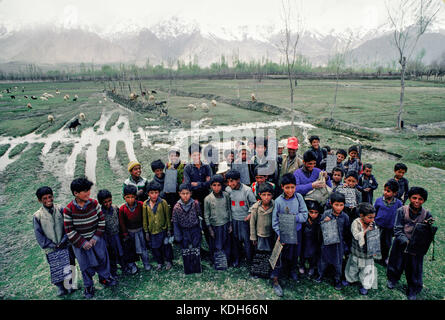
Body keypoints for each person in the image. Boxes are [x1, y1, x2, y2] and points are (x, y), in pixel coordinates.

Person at [64, 177, 116, 299]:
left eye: (89, 190)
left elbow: (101, 221)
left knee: (102, 259)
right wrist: (82, 243)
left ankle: (104, 278)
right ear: (76, 193)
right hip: (80, 245)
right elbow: (69, 230)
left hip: (96, 240)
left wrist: (95, 238)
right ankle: (89, 286)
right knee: (85, 265)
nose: (88, 193)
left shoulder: (94, 204)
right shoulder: (68, 209)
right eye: (85, 191)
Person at [387, 187, 433, 300]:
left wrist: (428, 225)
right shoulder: (401, 210)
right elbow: (397, 229)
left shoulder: (426, 214)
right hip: (400, 243)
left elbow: (427, 233)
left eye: (420, 199)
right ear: (409, 198)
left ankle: (413, 288)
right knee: (396, 262)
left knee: (415, 268)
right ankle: (393, 279)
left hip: (416, 247)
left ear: (424, 200)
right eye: (414, 198)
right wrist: (406, 241)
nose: (417, 201)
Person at [33, 186, 76, 296]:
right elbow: (39, 234)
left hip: (65, 244)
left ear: (53, 196)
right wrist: (50, 244)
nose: (48, 200)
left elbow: (68, 225)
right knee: (56, 266)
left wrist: (64, 239)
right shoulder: (37, 216)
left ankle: (70, 285)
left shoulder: (61, 209)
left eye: (50, 197)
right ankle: (61, 287)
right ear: (39, 200)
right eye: (44, 198)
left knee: (69, 264)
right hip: (51, 248)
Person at [271, 173, 308, 297]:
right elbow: (275, 221)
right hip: (283, 233)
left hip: (296, 232)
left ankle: (292, 270)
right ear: (282, 187)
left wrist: (292, 218)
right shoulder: (278, 201)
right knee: (280, 256)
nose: (290, 190)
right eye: (287, 187)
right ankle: (276, 278)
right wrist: (279, 233)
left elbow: (304, 215)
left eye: (292, 187)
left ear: (296, 187)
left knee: (294, 252)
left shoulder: (299, 198)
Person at [316, 192, 350, 290]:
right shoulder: (326, 214)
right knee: (323, 260)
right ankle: (320, 274)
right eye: (336, 205)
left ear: (344, 205)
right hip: (326, 244)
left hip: (338, 246)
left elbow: (347, 233)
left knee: (338, 263)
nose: (339, 208)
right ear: (331, 203)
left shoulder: (345, 217)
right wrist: (324, 222)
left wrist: (345, 246)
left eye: (341, 205)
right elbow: (320, 229)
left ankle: (337, 279)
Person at [183, 143, 213, 254]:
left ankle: (211, 248)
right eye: (194, 155)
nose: (196, 157)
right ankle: (197, 249)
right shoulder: (188, 168)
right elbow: (188, 185)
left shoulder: (206, 166)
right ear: (190, 155)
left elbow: (210, 183)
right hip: (193, 199)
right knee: (194, 224)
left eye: (198, 154)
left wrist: (198, 184)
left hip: (206, 197)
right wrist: (203, 183)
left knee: (207, 222)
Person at [345, 203, 379, 295]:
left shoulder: (372, 224)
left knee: (367, 269)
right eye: (369, 217)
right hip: (356, 251)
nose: (372, 220)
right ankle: (350, 279)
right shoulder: (356, 223)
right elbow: (356, 236)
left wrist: (375, 249)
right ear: (361, 215)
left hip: (368, 253)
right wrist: (366, 230)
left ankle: (365, 285)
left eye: (373, 217)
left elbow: (375, 237)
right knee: (353, 267)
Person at [226, 169, 257, 266]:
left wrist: (250, 213)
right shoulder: (228, 190)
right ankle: (237, 258)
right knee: (235, 241)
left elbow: (254, 204)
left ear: (238, 180)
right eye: (228, 181)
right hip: (234, 219)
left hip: (245, 220)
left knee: (247, 241)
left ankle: (249, 259)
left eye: (232, 181)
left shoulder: (247, 190)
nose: (230, 183)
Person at [119, 185, 151, 272]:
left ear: (136, 197)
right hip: (130, 233)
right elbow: (122, 223)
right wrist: (125, 234)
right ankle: (133, 266)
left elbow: (145, 217)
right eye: (127, 197)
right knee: (131, 250)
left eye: (132, 197)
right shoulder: (122, 209)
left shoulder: (140, 205)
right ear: (124, 197)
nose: (130, 199)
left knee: (143, 248)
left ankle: (146, 263)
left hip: (140, 231)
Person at [142, 181, 174, 271]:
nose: (154, 195)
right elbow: (145, 219)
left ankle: (168, 261)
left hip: (162, 229)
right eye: (152, 193)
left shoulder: (163, 202)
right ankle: (160, 262)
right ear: (148, 193)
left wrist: (168, 229)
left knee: (166, 246)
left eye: (156, 193)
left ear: (159, 193)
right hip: (152, 231)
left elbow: (167, 216)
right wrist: (146, 232)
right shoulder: (145, 204)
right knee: (155, 248)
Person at [204, 175, 232, 267]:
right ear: (211, 186)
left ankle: (226, 260)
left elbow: (229, 209)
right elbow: (206, 214)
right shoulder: (208, 199)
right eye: (214, 185)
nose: (216, 188)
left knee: (226, 243)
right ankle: (215, 261)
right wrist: (209, 228)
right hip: (214, 225)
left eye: (219, 185)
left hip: (225, 224)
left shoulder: (226, 196)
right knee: (215, 244)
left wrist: (230, 223)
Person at [374, 179, 403, 265]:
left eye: (388, 191)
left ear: (395, 193)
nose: (385, 192)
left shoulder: (398, 203)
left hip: (390, 228)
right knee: (376, 241)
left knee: (386, 244)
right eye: (385, 190)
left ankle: (384, 258)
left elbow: (400, 215)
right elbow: (374, 211)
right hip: (378, 225)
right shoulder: (379, 200)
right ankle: (374, 256)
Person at [97, 189, 124, 279]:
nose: (108, 203)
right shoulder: (100, 213)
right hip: (108, 237)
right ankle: (113, 271)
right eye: (105, 202)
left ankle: (123, 266)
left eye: (109, 201)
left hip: (117, 235)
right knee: (111, 254)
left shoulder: (115, 208)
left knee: (120, 251)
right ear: (100, 202)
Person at [172, 183, 202, 250]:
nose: (185, 196)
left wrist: (200, 229)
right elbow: (175, 222)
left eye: (187, 193)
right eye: (183, 193)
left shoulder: (195, 204)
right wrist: (177, 235)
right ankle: (187, 260)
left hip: (195, 229)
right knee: (185, 248)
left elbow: (199, 216)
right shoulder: (176, 207)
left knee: (196, 246)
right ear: (179, 194)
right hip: (184, 230)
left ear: (190, 193)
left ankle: (196, 259)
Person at [299, 200, 322, 278]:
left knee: (313, 255)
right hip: (304, 240)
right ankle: (301, 265)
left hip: (314, 241)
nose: (313, 215)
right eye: (311, 212)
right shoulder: (304, 220)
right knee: (303, 254)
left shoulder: (319, 221)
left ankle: (312, 267)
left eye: (316, 213)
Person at [249, 183, 275, 253]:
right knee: (260, 250)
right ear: (260, 195)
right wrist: (253, 237)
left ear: (272, 195)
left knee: (270, 249)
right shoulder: (256, 207)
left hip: (271, 233)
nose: (266, 197)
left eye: (269, 195)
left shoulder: (274, 205)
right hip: (260, 234)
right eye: (264, 195)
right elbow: (252, 223)